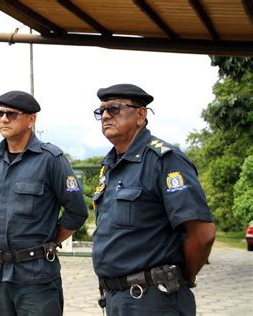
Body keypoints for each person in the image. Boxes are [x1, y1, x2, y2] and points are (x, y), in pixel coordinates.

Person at [91, 83, 216, 315]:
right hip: (116, 299)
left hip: (154, 299)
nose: (106, 115)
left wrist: (182, 275)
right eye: (101, 111)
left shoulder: (165, 161)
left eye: (115, 109)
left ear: (140, 115)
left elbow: (202, 234)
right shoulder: (110, 165)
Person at [0, 90, 88, 316]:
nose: (3, 119)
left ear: (31, 119)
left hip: (36, 277)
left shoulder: (51, 160)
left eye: (11, 114)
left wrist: (49, 240)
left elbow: (77, 211)